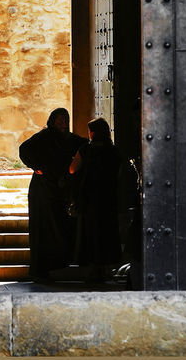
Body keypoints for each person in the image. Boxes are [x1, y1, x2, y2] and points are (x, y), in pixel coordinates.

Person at [19, 107, 85, 281]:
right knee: (43, 230)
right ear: (53, 121)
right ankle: (40, 271)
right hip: (42, 191)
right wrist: (37, 167)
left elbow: (85, 146)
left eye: (66, 120)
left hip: (59, 191)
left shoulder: (70, 140)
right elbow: (24, 149)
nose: (63, 124)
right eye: (60, 120)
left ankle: (56, 267)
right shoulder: (44, 136)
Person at [69, 116, 122, 283]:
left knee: (91, 234)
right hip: (109, 198)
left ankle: (93, 270)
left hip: (89, 198)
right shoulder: (114, 151)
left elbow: (72, 169)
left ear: (92, 133)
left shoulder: (85, 150)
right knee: (108, 232)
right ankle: (106, 269)